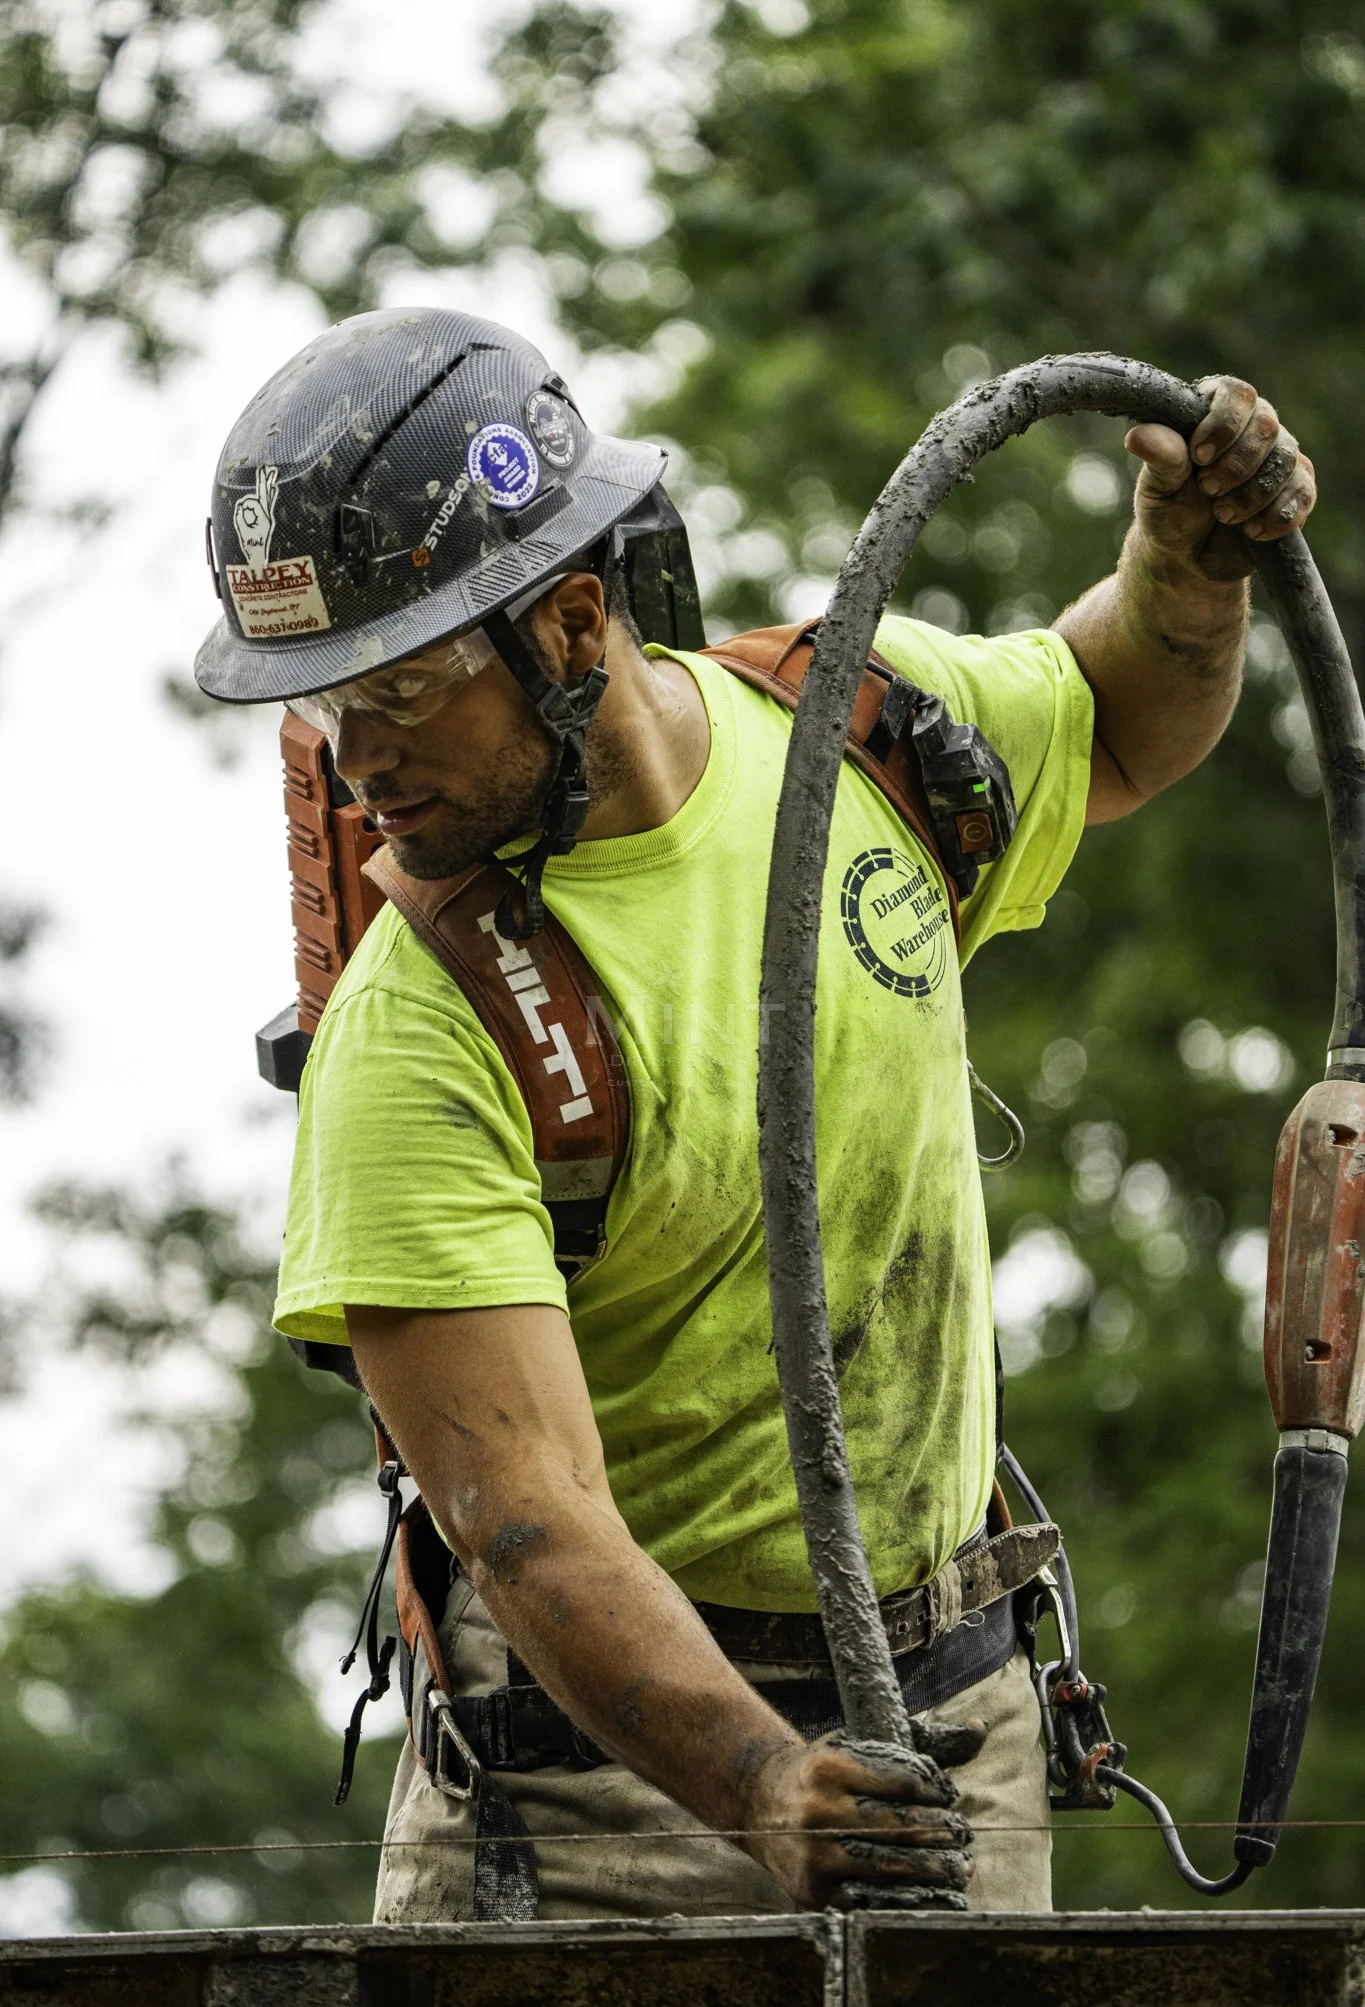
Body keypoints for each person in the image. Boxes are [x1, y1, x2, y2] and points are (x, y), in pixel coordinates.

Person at [195, 306, 1315, 1921]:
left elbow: (1123, 712)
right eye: (317, 707)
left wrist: (1189, 565)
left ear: (575, 623)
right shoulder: (423, 1030)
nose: (358, 763)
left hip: (956, 1731)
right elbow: (530, 1526)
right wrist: (760, 1786)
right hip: (595, 1810)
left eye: (404, 692)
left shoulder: (865, 745)